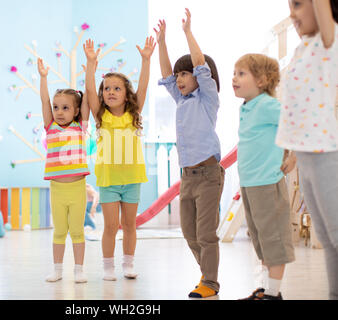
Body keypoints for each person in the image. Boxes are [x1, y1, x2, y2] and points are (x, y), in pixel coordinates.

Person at [155, 9, 224, 298]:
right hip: (187, 178)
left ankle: (210, 282)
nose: (180, 79)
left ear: (199, 76)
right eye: (178, 74)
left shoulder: (208, 98)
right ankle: (206, 275)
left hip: (208, 176)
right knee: (189, 233)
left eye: (186, 74)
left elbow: (200, 64)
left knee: (206, 234)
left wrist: (187, 33)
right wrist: (162, 42)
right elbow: (165, 73)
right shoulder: (180, 100)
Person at [276, 0, 338, 300]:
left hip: (325, 155)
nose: (292, 12)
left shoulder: (328, 44)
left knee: (336, 235)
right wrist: (290, 153)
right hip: (305, 156)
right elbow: (294, 108)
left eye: (299, 4)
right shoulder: (300, 51)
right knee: (326, 238)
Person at [83, 36, 155, 281]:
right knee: (111, 227)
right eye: (107, 89)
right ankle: (108, 266)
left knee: (130, 225)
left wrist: (146, 60)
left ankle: (128, 264)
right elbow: (90, 90)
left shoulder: (134, 113)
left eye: (116, 88)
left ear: (126, 95)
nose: (110, 92)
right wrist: (91, 64)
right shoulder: (100, 116)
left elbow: (144, 87)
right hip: (109, 180)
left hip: (132, 178)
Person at [233, 53, 296, 300]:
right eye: (235, 73)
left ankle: (273, 293)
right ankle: (267, 289)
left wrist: (293, 157)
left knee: (273, 240)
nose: (234, 78)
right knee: (260, 240)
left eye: (241, 73)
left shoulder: (269, 105)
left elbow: (294, 124)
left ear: (262, 80)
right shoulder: (247, 107)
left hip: (268, 183)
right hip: (250, 183)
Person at [38, 58, 90, 283]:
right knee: (59, 231)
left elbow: (88, 101)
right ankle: (57, 269)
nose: (59, 112)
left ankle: (79, 270)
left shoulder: (81, 126)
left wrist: (90, 74)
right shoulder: (51, 127)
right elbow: (44, 100)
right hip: (57, 188)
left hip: (77, 187)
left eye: (65, 107)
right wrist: (43, 78)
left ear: (76, 110)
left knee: (77, 231)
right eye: (57, 108)